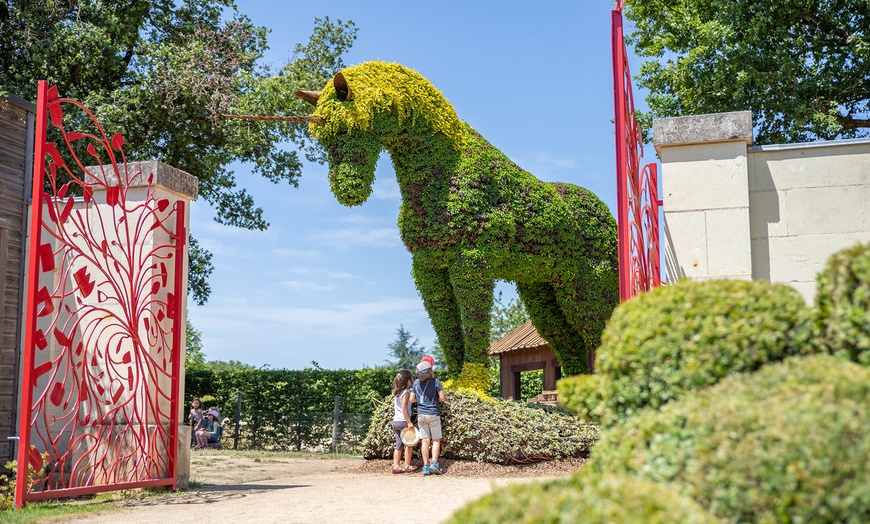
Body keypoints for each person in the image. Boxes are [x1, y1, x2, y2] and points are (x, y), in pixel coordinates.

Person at [409, 359, 445, 475]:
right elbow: (442, 398)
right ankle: (434, 464)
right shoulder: (436, 382)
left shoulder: (415, 383)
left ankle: (425, 466)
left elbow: (412, 399)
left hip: (421, 414)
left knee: (425, 440)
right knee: (436, 440)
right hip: (433, 413)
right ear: (430, 372)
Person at [390, 369, 420, 474]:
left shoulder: (397, 392)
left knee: (398, 445)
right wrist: (409, 422)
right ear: (408, 381)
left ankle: (396, 466)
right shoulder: (406, 392)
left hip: (396, 421)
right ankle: (407, 465)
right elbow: (404, 408)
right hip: (403, 421)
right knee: (409, 444)